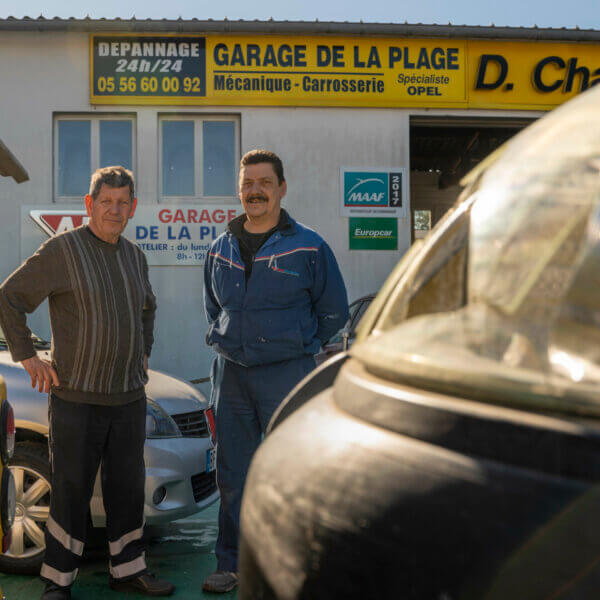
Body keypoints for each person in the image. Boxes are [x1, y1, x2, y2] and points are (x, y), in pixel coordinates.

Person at [0, 166, 174, 599]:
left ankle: (128, 570)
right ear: (88, 205)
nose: (114, 210)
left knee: (127, 489)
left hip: (129, 398)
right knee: (71, 492)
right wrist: (26, 354)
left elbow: (148, 309)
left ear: (133, 207)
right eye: (106, 202)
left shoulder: (134, 255)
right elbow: (8, 297)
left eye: (122, 202)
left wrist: (144, 350)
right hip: (76, 399)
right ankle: (57, 582)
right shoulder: (62, 250)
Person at [202, 149, 349, 593]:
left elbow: (333, 312)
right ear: (239, 190)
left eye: (265, 183)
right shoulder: (219, 247)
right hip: (232, 376)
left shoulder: (310, 246)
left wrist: (298, 345)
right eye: (248, 184)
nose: (255, 191)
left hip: (289, 375)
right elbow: (214, 308)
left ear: (282, 188)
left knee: (295, 470)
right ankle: (233, 563)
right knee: (232, 474)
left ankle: (297, 565)